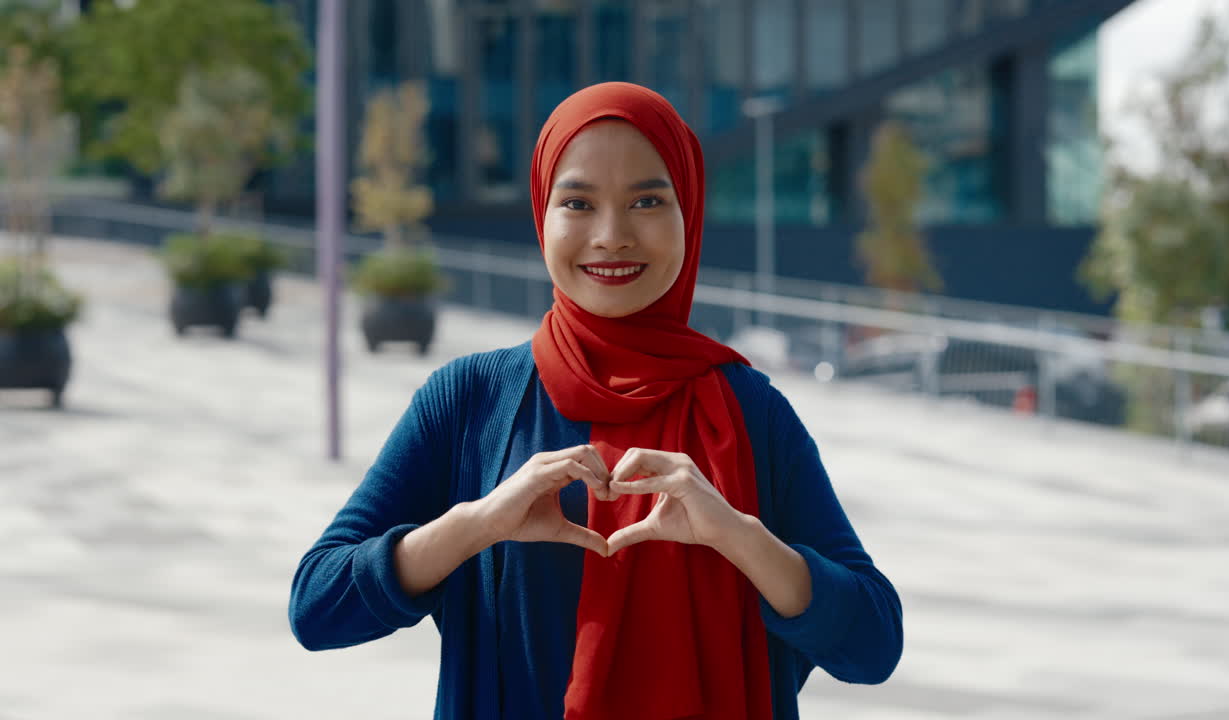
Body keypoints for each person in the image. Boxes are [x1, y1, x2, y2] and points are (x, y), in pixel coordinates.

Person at [289, 82, 903, 720]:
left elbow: (874, 644)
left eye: (646, 200)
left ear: (687, 213)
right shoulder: (470, 401)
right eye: (578, 202)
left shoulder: (753, 411)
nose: (611, 235)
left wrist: (737, 536)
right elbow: (317, 609)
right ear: (542, 214)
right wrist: (476, 526)